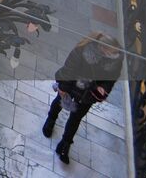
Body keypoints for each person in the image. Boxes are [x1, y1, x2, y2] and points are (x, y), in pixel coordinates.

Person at [43, 33, 123, 164]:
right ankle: (50, 120)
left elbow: (110, 81)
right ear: (102, 48)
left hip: (89, 94)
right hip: (71, 86)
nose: (112, 55)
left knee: (76, 118)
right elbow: (69, 69)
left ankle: (65, 144)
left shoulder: (115, 62)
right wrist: (63, 87)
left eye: (113, 53)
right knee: (59, 103)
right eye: (110, 52)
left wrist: (103, 89)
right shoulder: (82, 50)